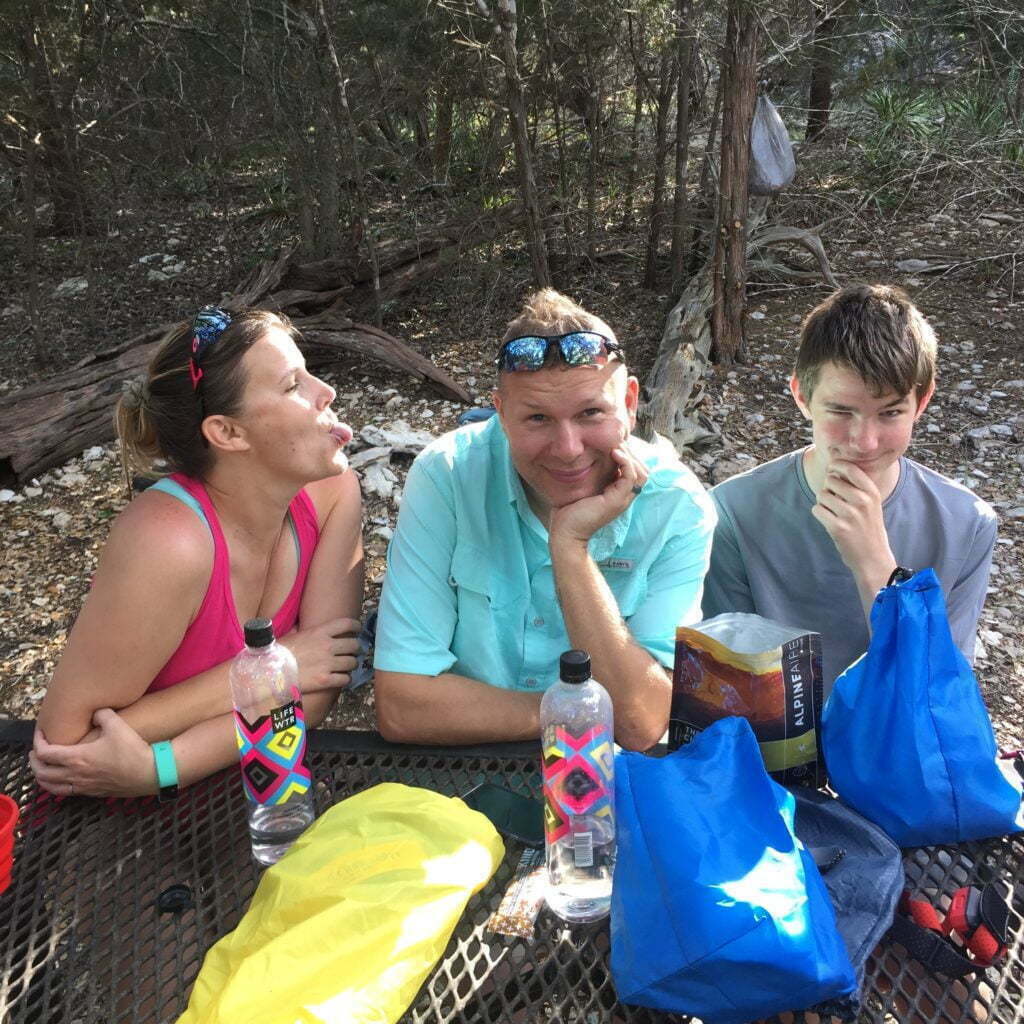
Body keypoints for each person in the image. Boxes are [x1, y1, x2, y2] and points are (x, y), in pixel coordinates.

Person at [30, 307, 364, 798]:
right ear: (227, 432)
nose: (325, 391)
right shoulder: (169, 541)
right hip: (115, 828)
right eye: (294, 385)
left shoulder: (334, 493)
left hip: (260, 795)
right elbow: (66, 748)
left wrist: (164, 763)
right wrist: (278, 666)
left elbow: (316, 690)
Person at [373, 289, 715, 750]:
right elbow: (402, 705)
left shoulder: (677, 506)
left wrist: (570, 547)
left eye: (591, 412)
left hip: (607, 788)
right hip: (467, 776)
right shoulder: (448, 475)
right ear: (500, 414)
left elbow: (641, 722)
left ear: (630, 403)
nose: (569, 448)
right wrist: (579, 713)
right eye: (537, 418)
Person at [702, 283, 997, 692]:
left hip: (898, 748)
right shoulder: (732, 513)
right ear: (802, 395)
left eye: (890, 413)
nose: (865, 441)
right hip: (773, 748)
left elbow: (939, 691)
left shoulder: (967, 524)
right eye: (841, 411)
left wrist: (875, 566)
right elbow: (729, 686)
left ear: (922, 402)